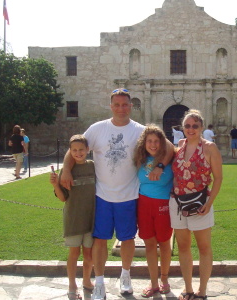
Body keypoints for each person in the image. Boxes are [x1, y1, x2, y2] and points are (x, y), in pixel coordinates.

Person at [60, 88, 173, 300]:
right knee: (100, 240)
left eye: (125, 104)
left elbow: (168, 147)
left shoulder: (140, 130)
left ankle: (126, 275)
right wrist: (66, 169)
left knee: (127, 238)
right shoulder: (97, 129)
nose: (121, 108)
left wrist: (160, 166)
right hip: (102, 195)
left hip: (129, 195)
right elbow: (74, 148)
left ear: (131, 106)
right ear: (111, 106)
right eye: (117, 104)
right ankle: (100, 282)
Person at [170, 109, 223, 300]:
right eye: (187, 125)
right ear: (183, 128)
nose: (191, 129)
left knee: (204, 247)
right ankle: (188, 288)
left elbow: (218, 178)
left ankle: (202, 290)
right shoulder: (181, 144)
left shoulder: (210, 148)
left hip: (200, 203)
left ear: (201, 127)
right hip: (177, 203)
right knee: (183, 246)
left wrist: (210, 203)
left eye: (195, 126)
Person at [50, 134, 95, 300]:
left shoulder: (93, 167)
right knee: (74, 254)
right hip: (73, 219)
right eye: (74, 150)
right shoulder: (66, 171)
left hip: (91, 219)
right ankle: (71, 285)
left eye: (81, 149)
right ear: (70, 151)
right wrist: (55, 184)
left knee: (89, 255)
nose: (78, 153)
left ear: (87, 150)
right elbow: (63, 198)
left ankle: (86, 281)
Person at [134, 125, 174, 298]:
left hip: (163, 204)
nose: (153, 144)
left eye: (157, 141)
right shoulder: (140, 158)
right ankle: (153, 282)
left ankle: (164, 279)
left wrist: (160, 165)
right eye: (149, 141)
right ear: (144, 142)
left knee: (164, 242)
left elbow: (171, 147)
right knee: (149, 244)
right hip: (143, 204)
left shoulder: (168, 157)